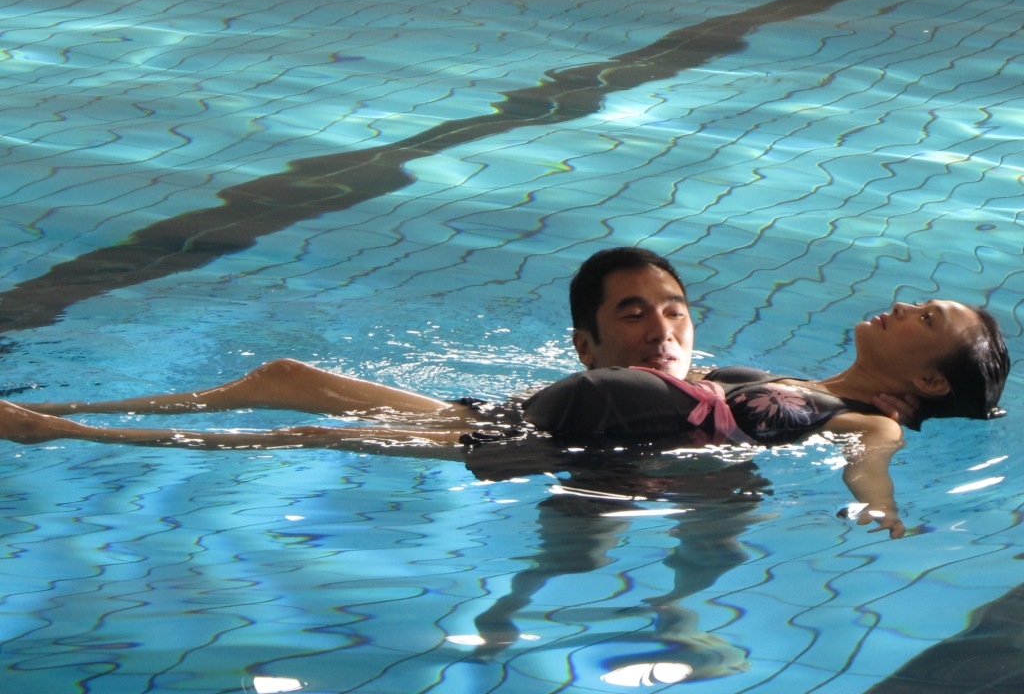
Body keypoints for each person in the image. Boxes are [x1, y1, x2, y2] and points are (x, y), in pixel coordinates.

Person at [0, 248, 1011, 538]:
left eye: (921, 316)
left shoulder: (863, 414)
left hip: (545, 445)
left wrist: (877, 511)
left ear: (926, 378)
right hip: (527, 415)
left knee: (302, 431)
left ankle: (55, 431)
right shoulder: (797, 377)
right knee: (283, 380)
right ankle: (95, 410)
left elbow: (869, 463)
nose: (898, 305)